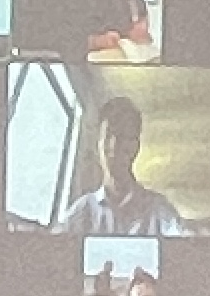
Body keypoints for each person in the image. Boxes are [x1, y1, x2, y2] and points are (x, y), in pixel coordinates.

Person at [55, 93, 184, 236]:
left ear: (135, 147)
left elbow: (182, 241)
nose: (114, 146)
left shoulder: (161, 213)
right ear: (97, 145)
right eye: (108, 136)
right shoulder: (79, 215)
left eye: (122, 137)